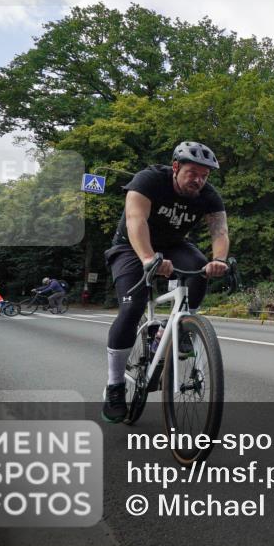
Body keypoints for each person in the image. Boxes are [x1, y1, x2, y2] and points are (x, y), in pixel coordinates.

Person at [101, 141, 230, 423]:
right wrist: (148, 258)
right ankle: (115, 385)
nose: (198, 180)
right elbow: (136, 219)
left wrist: (219, 259)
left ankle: (173, 331)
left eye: (204, 176)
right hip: (131, 246)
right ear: (175, 167)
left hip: (173, 245)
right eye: (192, 173)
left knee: (198, 269)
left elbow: (219, 231)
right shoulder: (149, 180)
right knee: (132, 307)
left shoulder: (209, 196)